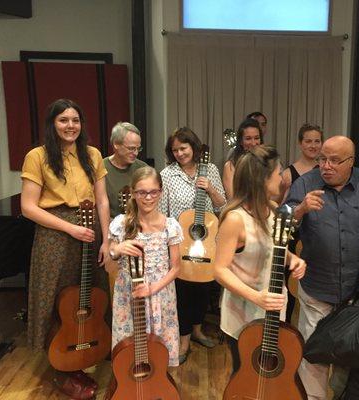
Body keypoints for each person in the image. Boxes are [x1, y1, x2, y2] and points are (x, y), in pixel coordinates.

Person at [285, 135, 359, 400]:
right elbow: (281, 226)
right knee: (313, 354)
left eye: (335, 161)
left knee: (350, 356)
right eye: (322, 159)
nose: (326, 165)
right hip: (316, 288)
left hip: (356, 292)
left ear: (351, 161)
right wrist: (300, 210)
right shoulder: (305, 183)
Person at [21, 99, 110, 399]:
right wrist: (70, 228)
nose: (70, 126)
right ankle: (62, 364)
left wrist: (107, 239)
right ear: (52, 123)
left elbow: (102, 200)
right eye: (63, 120)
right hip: (55, 234)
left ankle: (85, 352)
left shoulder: (93, 154)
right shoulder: (37, 156)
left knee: (88, 294)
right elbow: (28, 207)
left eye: (75, 120)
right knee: (55, 296)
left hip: (90, 230)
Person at [214, 145, 306, 373]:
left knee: (270, 373)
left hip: (272, 308)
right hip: (242, 313)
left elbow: (272, 249)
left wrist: (293, 259)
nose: (283, 178)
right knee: (245, 374)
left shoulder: (273, 210)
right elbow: (220, 270)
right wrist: (257, 297)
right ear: (262, 179)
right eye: (278, 172)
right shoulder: (236, 219)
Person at [159, 127, 226, 364]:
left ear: (194, 147)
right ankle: (184, 338)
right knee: (183, 291)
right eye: (175, 149)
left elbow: (222, 206)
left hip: (206, 241)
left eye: (183, 148)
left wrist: (210, 188)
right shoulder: (167, 175)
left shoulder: (211, 170)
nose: (179, 153)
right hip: (180, 241)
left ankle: (197, 330)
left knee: (203, 289)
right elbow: (162, 212)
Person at [108, 166, 182, 366]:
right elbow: (111, 255)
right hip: (129, 293)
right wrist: (118, 248)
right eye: (142, 192)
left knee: (157, 346)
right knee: (129, 343)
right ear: (132, 193)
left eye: (153, 192)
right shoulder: (121, 224)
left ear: (161, 192)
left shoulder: (170, 225)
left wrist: (152, 289)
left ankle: (156, 382)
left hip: (160, 292)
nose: (148, 198)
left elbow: (176, 267)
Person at [103, 122, 148, 293]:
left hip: (140, 234)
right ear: (116, 145)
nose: (135, 153)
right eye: (130, 148)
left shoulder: (142, 168)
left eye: (138, 148)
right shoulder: (101, 168)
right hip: (111, 235)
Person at [279, 123, 324, 203]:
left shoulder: (325, 169)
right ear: (300, 143)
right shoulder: (288, 174)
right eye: (308, 141)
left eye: (317, 141)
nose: (313, 146)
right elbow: (282, 207)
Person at [222, 118, 262, 199]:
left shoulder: (267, 162)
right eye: (248, 138)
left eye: (257, 138)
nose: (254, 143)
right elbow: (232, 199)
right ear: (240, 141)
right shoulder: (230, 166)